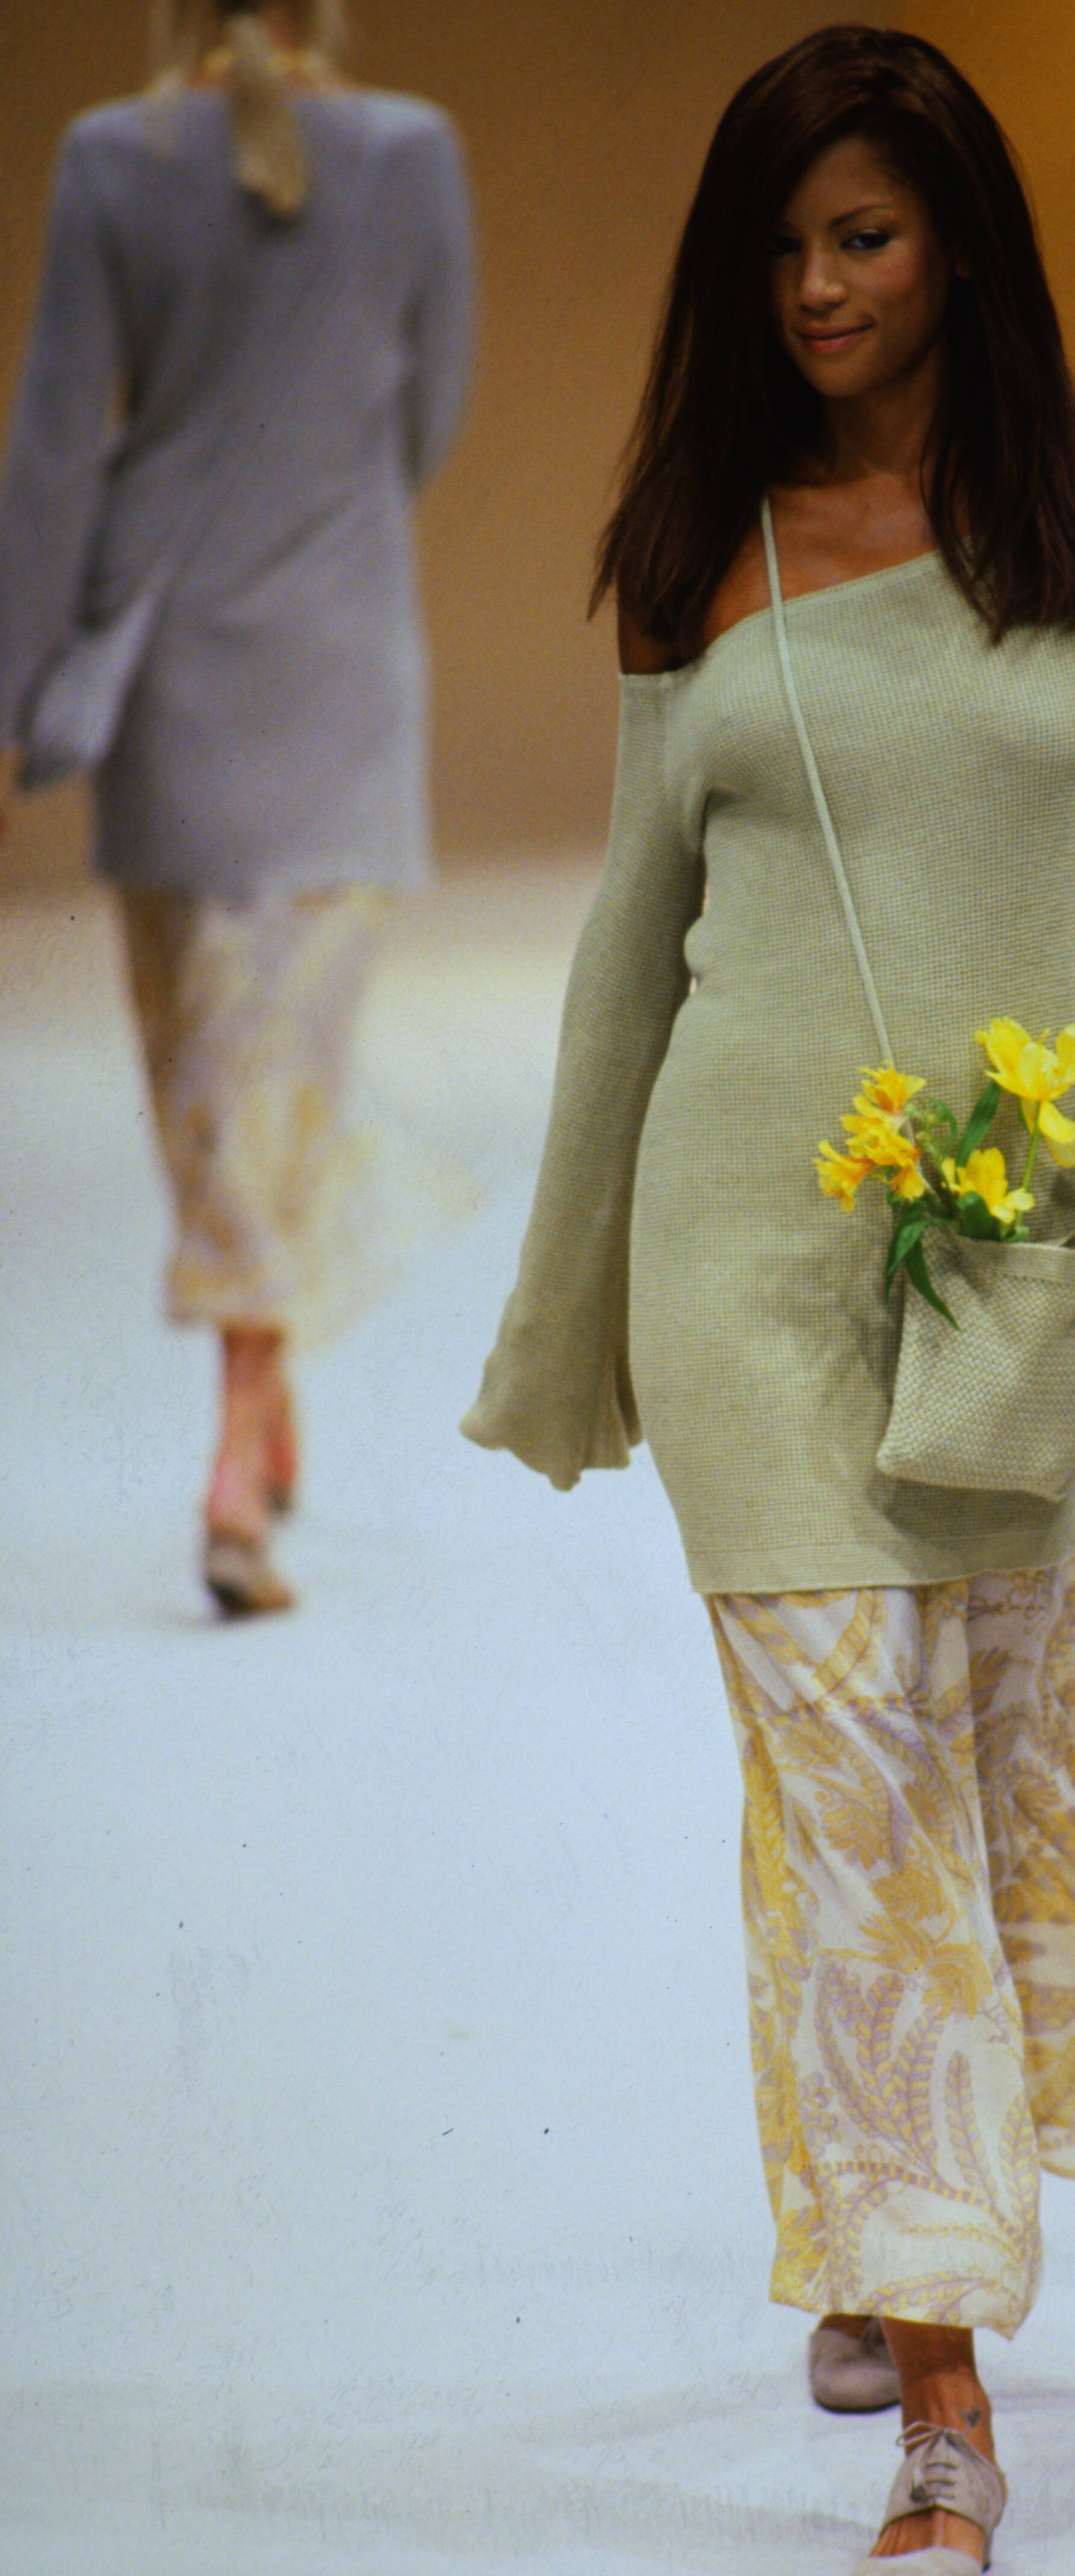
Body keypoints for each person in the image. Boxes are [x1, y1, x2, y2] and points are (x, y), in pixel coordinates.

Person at [463, 28, 1075, 2569]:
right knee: (856, 1800)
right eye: (776, 247)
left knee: (975, 1752)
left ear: (959, 238)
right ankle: (946, 2406)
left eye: (860, 234)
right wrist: (563, 1314)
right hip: (741, 1261)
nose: (818, 287)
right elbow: (628, 954)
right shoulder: (699, 546)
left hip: (1000, 1253)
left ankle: (877, 2243)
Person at [0, 0, 473, 1615]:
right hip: (337, 656)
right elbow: (430, 414)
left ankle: (236, 1431)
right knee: (286, 1069)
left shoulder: (110, 158)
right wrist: (315, 501)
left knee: (209, 1071)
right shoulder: (410, 154)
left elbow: (56, 444)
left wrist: (9, 696)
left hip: (173, 664)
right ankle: (252, 1406)